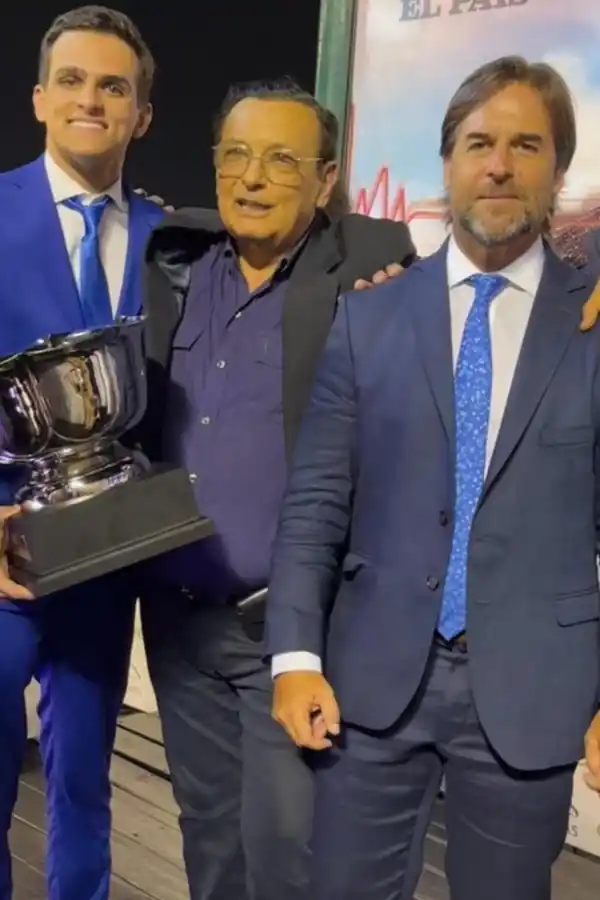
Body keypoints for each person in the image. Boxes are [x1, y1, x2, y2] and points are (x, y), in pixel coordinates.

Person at [267, 56, 600, 900]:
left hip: (532, 694)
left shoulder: (593, 324)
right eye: (479, 142)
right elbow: (314, 505)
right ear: (446, 164)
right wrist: (295, 654)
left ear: (558, 170)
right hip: (368, 688)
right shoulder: (370, 315)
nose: (499, 164)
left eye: (527, 144)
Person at [135, 78, 416, 900]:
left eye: (282, 160)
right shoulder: (177, 263)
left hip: (288, 634)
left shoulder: (361, 275)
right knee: (208, 839)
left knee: (290, 853)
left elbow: (406, 251)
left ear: (326, 181)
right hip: (178, 624)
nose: (251, 177)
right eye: (236, 154)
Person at [0, 7, 164, 900]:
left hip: (107, 554)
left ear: (141, 113)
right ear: (38, 100)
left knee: (81, 782)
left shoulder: (169, 238)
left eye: (114, 85)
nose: (90, 100)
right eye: (71, 80)